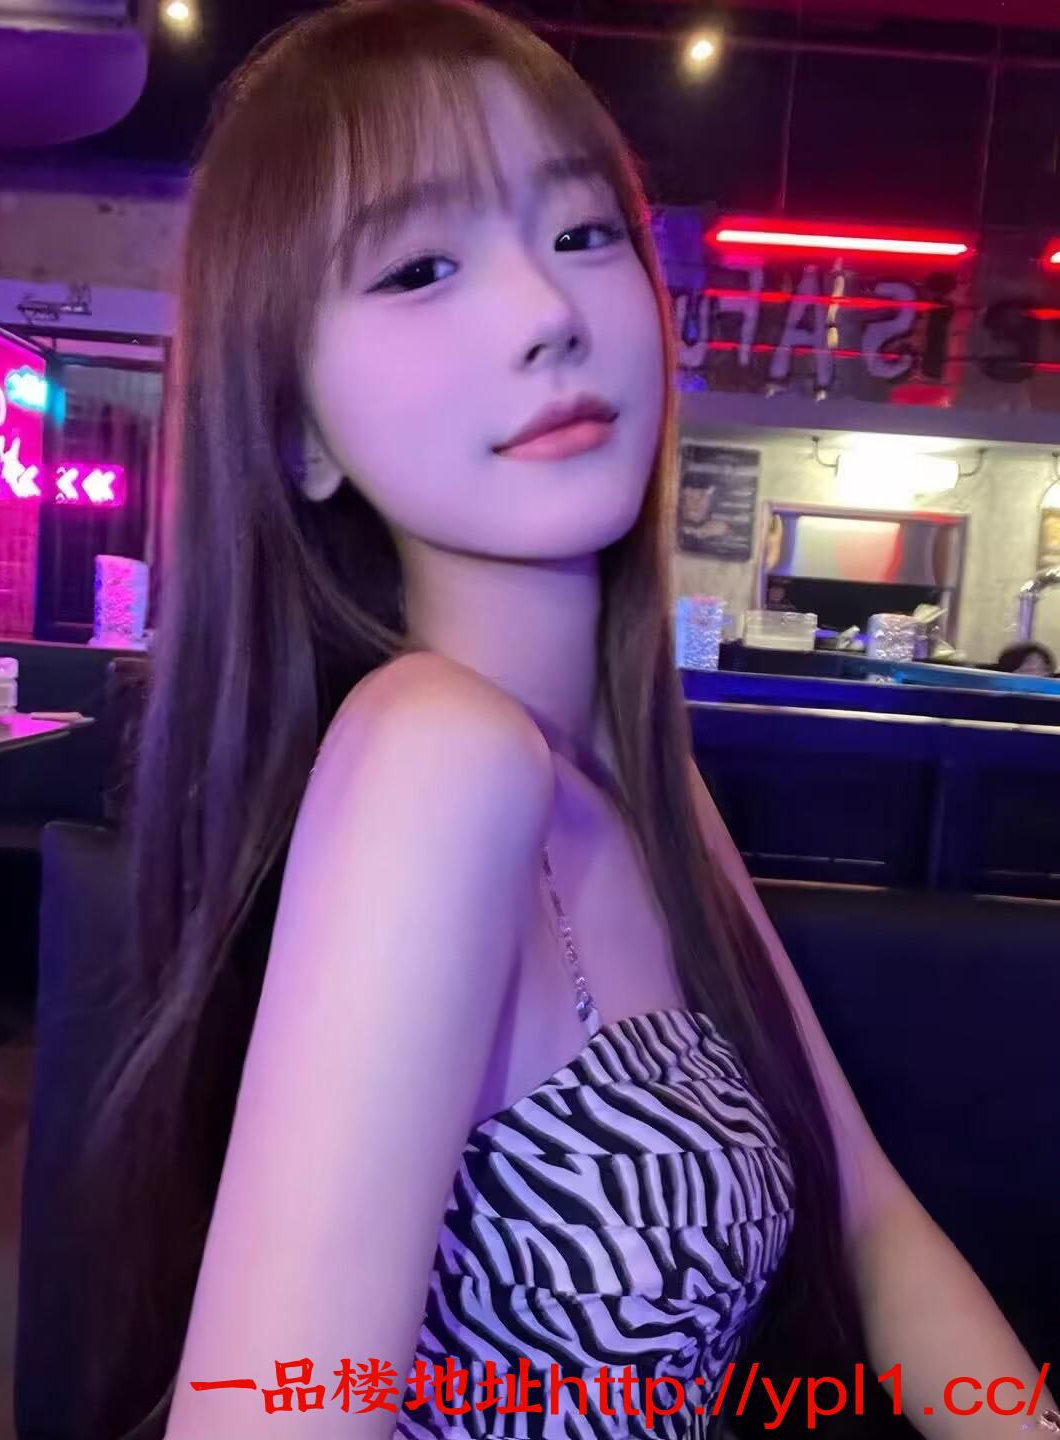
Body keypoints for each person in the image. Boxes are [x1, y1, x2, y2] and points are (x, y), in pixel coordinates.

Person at [80, 4, 1054, 1438]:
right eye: (421, 267)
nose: (547, 309)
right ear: (296, 431)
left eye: (585, 233)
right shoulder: (434, 753)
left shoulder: (634, 770)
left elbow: (869, 1216)